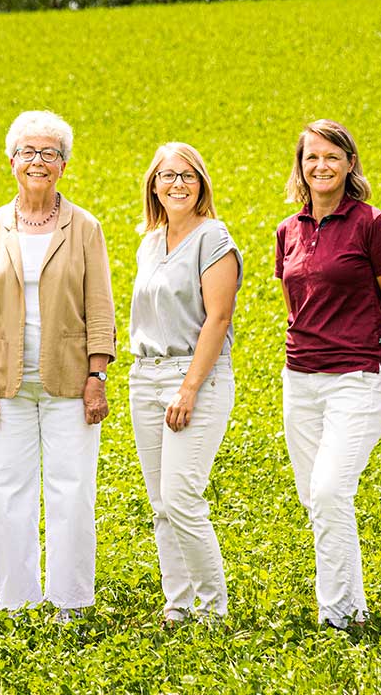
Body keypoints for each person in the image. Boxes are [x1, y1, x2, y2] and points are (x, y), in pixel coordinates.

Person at [0, 110, 115, 621]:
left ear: (64, 165)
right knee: (9, 492)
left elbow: (101, 308)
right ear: (11, 161)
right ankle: (17, 603)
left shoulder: (85, 227)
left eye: (50, 153)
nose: (38, 161)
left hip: (70, 381)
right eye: (28, 151)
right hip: (5, 383)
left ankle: (69, 602)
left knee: (72, 491)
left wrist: (97, 377)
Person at [273, 118, 381, 632]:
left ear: (350, 164)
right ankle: (348, 607)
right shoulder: (289, 230)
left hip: (356, 378)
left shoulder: (373, 224)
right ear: (301, 166)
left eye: (332, 156)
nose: (321, 166)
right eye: (312, 157)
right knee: (316, 498)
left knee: (332, 490)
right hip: (300, 379)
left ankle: (336, 616)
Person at [127, 142, 239, 624]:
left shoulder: (214, 238)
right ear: (154, 184)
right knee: (160, 505)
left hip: (193, 378)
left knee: (182, 497)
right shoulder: (149, 242)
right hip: (144, 377)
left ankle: (213, 609)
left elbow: (218, 319)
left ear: (202, 184)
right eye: (168, 176)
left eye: (188, 175)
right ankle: (179, 603)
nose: (178, 184)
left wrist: (189, 388)